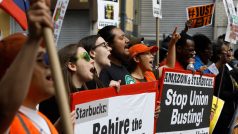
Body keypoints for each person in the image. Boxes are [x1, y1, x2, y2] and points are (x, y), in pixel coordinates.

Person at [0, 0, 56, 133]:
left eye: (47, 58)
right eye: (39, 59)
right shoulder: (7, 119)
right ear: (11, 72)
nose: (48, 65)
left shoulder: (42, 119)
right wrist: (33, 40)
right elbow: (4, 110)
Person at [40, 43, 95, 125]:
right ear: (72, 66)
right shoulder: (52, 98)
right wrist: (59, 126)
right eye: (86, 57)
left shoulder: (91, 88)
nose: (92, 60)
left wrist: (112, 92)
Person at [211, 40, 238, 134]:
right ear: (219, 55)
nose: (230, 53)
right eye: (226, 51)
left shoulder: (228, 67)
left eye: (230, 50)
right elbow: (219, 92)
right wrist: (235, 94)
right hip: (219, 114)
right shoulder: (215, 69)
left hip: (229, 112)